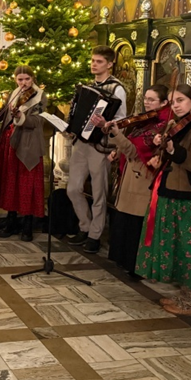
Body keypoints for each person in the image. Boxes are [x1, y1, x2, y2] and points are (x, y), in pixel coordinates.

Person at [136, 84, 191, 316]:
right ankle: (183, 294)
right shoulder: (179, 125)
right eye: (172, 102)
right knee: (177, 246)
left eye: (180, 100)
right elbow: (172, 155)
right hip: (172, 191)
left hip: (190, 198)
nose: (176, 106)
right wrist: (160, 152)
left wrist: (173, 150)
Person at [105, 85, 171, 276]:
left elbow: (135, 151)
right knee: (124, 219)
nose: (146, 103)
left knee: (135, 222)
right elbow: (131, 142)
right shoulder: (145, 121)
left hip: (142, 177)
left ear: (164, 103)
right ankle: (122, 260)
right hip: (130, 174)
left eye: (151, 100)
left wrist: (117, 135)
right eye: (145, 99)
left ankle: (135, 265)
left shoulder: (162, 125)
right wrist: (118, 151)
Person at [66, 46, 127, 253]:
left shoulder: (117, 89)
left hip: (101, 145)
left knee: (99, 192)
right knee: (73, 188)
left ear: (110, 64)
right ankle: (85, 225)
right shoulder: (89, 87)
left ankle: (95, 234)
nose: (94, 64)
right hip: (82, 143)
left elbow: (121, 120)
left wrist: (105, 124)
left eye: (99, 61)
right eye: (92, 61)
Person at [0, 66, 46, 241]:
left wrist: (20, 117)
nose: (24, 83)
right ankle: (11, 220)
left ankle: (28, 224)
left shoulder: (39, 96)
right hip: (10, 143)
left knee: (27, 184)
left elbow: (37, 121)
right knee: (11, 182)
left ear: (33, 78)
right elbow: (5, 116)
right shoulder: (15, 93)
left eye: (27, 79)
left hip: (28, 145)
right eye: (20, 79)